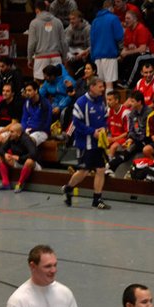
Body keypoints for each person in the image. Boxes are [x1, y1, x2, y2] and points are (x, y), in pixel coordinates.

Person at [63, 77, 112, 209]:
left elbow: (105, 118)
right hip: (85, 143)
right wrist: (92, 132)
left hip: (98, 143)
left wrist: (104, 129)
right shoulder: (81, 102)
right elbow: (76, 123)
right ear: (92, 87)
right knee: (84, 171)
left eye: (103, 87)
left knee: (101, 169)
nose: (103, 89)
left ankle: (97, 200)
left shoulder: (101, 100)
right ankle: (68, 188)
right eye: (100, 87)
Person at [28, 1, 68, 81]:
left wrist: (29, 59)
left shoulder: (34, 23)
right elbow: (64, 42)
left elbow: (31, 44)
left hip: (41, 58)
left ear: (37, 10)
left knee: (40, 86)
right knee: (58, 84)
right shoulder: (58, 22)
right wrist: (64, 57)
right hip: (56, 57)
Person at [90, 0, 125, 92]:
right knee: (109, 84)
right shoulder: (113, 18)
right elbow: (119, 36)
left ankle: (100, 105)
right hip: (109, 54)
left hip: (97, 55)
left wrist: (92, 56)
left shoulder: (95, 21)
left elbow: (92, 40)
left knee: (99, 84)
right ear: (111, 8)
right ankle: (109, 106)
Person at [0, 123, 39, 192]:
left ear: (18, 133)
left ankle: (19, 184)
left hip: (29, 164)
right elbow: (0, 149)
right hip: (17, 163)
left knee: (29, 161)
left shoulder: (26, 139)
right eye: (9, 131)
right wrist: (5, 154)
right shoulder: (11, 138)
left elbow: (34, 154)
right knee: (0, 157)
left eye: (12, 132)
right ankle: (5, 183)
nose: (9, 133)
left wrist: (20, 158)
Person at [119, 10, 154, 89]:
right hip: (137, 53)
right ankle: (121, 80)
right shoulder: (127, 30)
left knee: (137, 58)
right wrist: (121, 55)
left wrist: (127, 53)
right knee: (119, 58)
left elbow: (142, 49)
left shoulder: (141, 29)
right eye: (125, 18)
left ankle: (129, 84)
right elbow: (125, 47)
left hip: (151, 55)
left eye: (128, 18)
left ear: (135, 19)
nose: (126, 20)